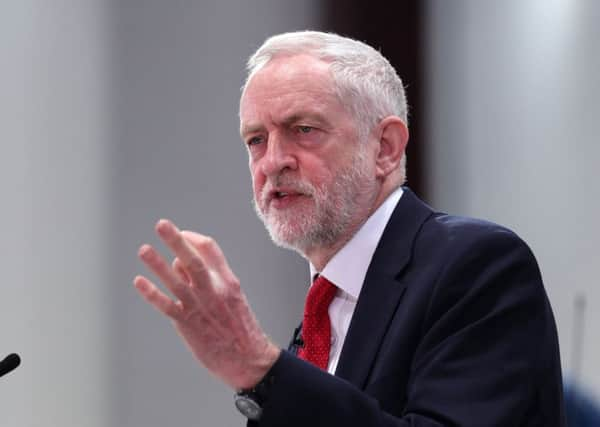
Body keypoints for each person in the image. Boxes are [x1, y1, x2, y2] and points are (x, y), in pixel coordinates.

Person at [134, 31, 566, 426]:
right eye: (256, 140)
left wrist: (260, 369)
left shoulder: (477, 267)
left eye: (303, 130)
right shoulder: (318, 320)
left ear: (385, 148)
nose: (272, 162)